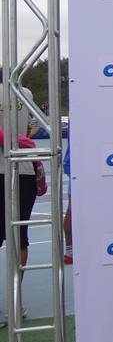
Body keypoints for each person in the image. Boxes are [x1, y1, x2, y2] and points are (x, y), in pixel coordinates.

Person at [0, 76, 35, 327]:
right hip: (23, 170)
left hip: (6, 168)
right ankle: (15, 303)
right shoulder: (26, 92)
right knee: (20, 238)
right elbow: (32, 130)